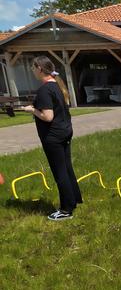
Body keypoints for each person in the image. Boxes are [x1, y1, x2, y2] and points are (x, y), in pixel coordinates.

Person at [22, 56, 82, 220]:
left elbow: (48, 116)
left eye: (33, 68)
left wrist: (31, 110)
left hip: (53, 136)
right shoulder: (56, 86)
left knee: (60, 172)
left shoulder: (44, 90)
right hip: (64, 131)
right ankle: (74, 198)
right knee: (67, 167)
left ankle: (66, 210)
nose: (32, 71)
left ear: (40, 69)